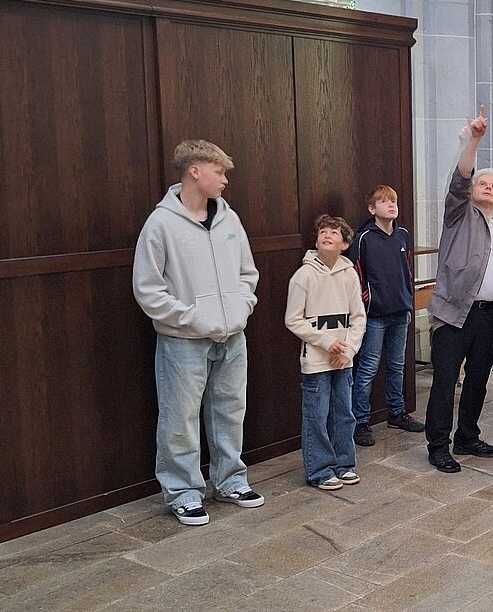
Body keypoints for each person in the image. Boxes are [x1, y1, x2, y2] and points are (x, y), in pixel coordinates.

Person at [132, 139, 264, 526]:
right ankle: (184, 492)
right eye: (219, 172)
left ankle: (231, 481)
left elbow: (247, 273)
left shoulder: (229, 219)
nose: (225, 180)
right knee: (179, 417)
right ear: (195, 171)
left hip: (233, 337)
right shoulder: (161, 224)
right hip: (182, 341)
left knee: (230, 411)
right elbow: (147, 289)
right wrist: (190, 318)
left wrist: (241, 308)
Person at [425, 106, 493, 473]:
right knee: (446, 381)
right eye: (484, 183)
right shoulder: (458, 214)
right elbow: (460, 179)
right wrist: (475, 141)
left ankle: (466, 436)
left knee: (478, 380)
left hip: (487, 316)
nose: (488, 188)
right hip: (453, 313)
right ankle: (438, 444)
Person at [284, 215, 367, 490]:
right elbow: (293, 320)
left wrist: (349, 349)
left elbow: (358, 317)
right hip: (317, 362)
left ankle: (345, 464)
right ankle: (320, 470)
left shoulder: (349, 274)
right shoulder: (304, 276)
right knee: (316, 417)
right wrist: (325, 342)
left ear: (344, 244)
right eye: (323, 231)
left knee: (344, 413)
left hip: (343, 361)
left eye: (334, 232)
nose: (327, 235)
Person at [348, 185, 423, 449]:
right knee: (368, 367)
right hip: (375, 316)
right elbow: (355, 277)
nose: (391, 205)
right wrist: (366, 305)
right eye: (384, 201)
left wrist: (408, 305)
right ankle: (359, 421)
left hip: (400, 312)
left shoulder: (403, 235)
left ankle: (397, 412)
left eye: (393, 201)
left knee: (397, 365)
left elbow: (408, 272)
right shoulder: (364, 238)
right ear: (372, 209)